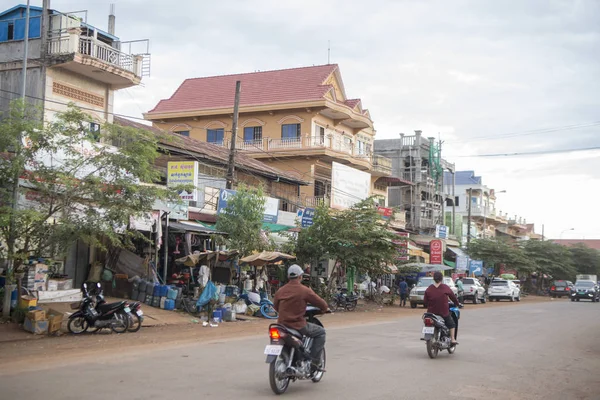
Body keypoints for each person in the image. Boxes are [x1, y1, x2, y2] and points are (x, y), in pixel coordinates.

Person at [273, 264, 329, 370]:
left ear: (289, 277)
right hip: (297, 325)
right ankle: (315, 363)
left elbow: (276, 307)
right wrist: (324, 309)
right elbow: (322, 304)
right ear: (300, 277)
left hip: (281, 325)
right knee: (320, 332)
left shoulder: (280, 291)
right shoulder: (304, 290)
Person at [423, 271, 461, 345]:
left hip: (430, 313)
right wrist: (457, 304)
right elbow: (453, 297)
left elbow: (425, 301)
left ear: (433, 279)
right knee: (452, 324)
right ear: (442, 279)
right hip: (443, 312)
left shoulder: (429, 288)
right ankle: (453, 339)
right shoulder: (445, 287)